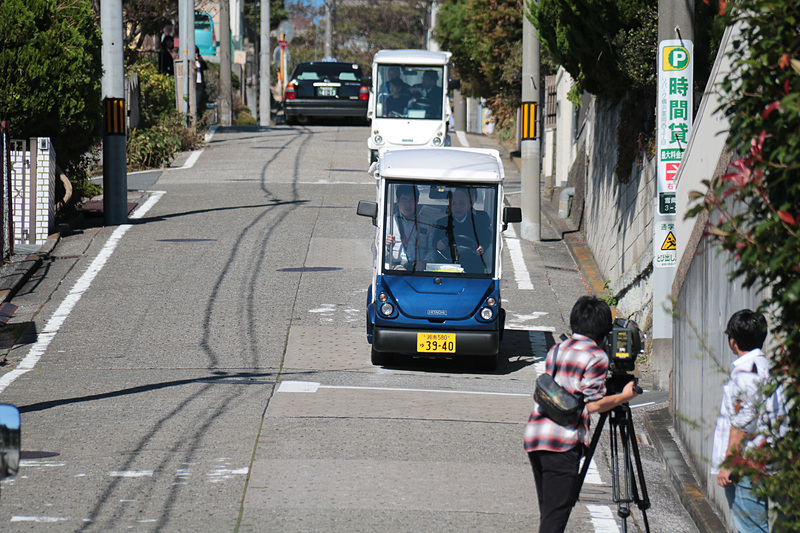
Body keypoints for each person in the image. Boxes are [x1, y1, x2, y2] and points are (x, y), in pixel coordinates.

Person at [523, 296, 640, 532]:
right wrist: (624, 396)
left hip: (537, 437)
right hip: (562, 443)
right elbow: (593, 405)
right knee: (554, 520)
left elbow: (566, 387)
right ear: (605, 331)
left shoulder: (558, 348)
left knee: (549, 513)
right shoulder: (597, 357)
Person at [711, 309, 771, 533]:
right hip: (758, 459)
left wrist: (728, 463)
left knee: (752, 528)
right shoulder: (762, 367)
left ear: (733, 341)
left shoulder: (747, 372)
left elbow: (743, 422)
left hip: (745, 463)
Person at [429, 188, 492, 273]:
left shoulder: (479, 222)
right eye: (454, 204)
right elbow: (434, 242)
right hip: (447, 264)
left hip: (472, 264)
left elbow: (486, 239)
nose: (457, 207)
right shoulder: (442, 222)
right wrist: (438, 244)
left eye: (461, 203)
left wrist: (482, 247)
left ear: (468, 205)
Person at [385, 185, 428, 271]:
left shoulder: (427, 223)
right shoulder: (388, 222)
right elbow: (375, 250)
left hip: (420, 268)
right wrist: (386, 246)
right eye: (404, 200)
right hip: (396, 267)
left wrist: (425, 262)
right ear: (397, 201)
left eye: (412, 201)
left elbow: (432, 250)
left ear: (417, 202)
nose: (408, 205)